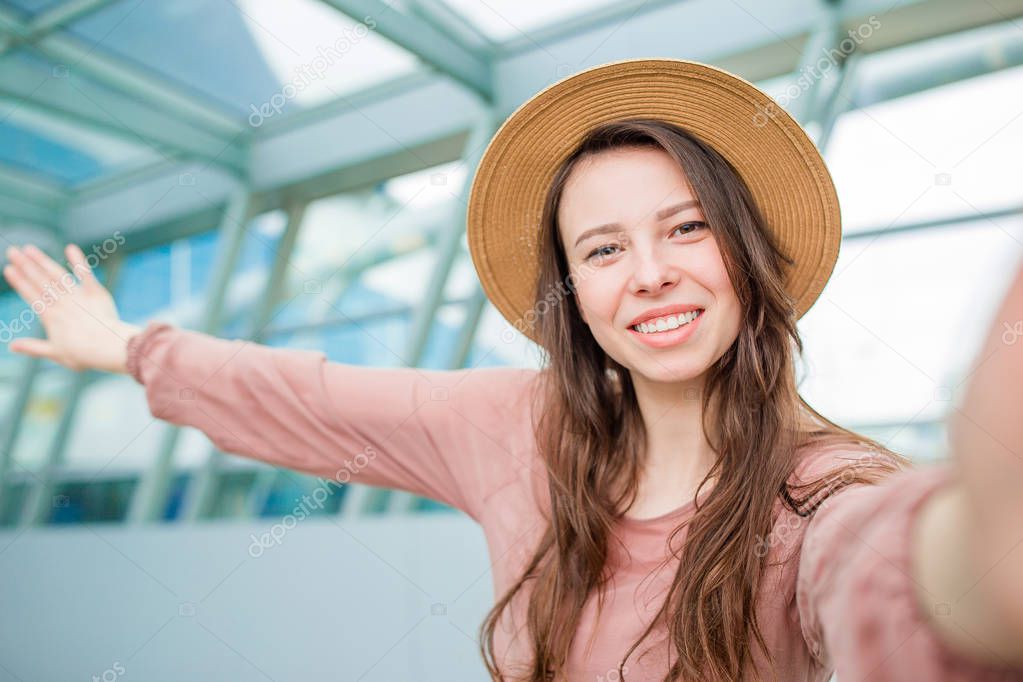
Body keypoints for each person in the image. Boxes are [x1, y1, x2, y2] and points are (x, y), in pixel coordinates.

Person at [3, 59, 1022, 681]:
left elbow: (893, 567)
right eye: (604, 249)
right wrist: (135, 348)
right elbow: (306, 394)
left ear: (746, 256)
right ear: (571, 291)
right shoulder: (513, 423)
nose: (653, 274)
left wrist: (976, 557)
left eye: (688, 227)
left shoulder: (828, 489)